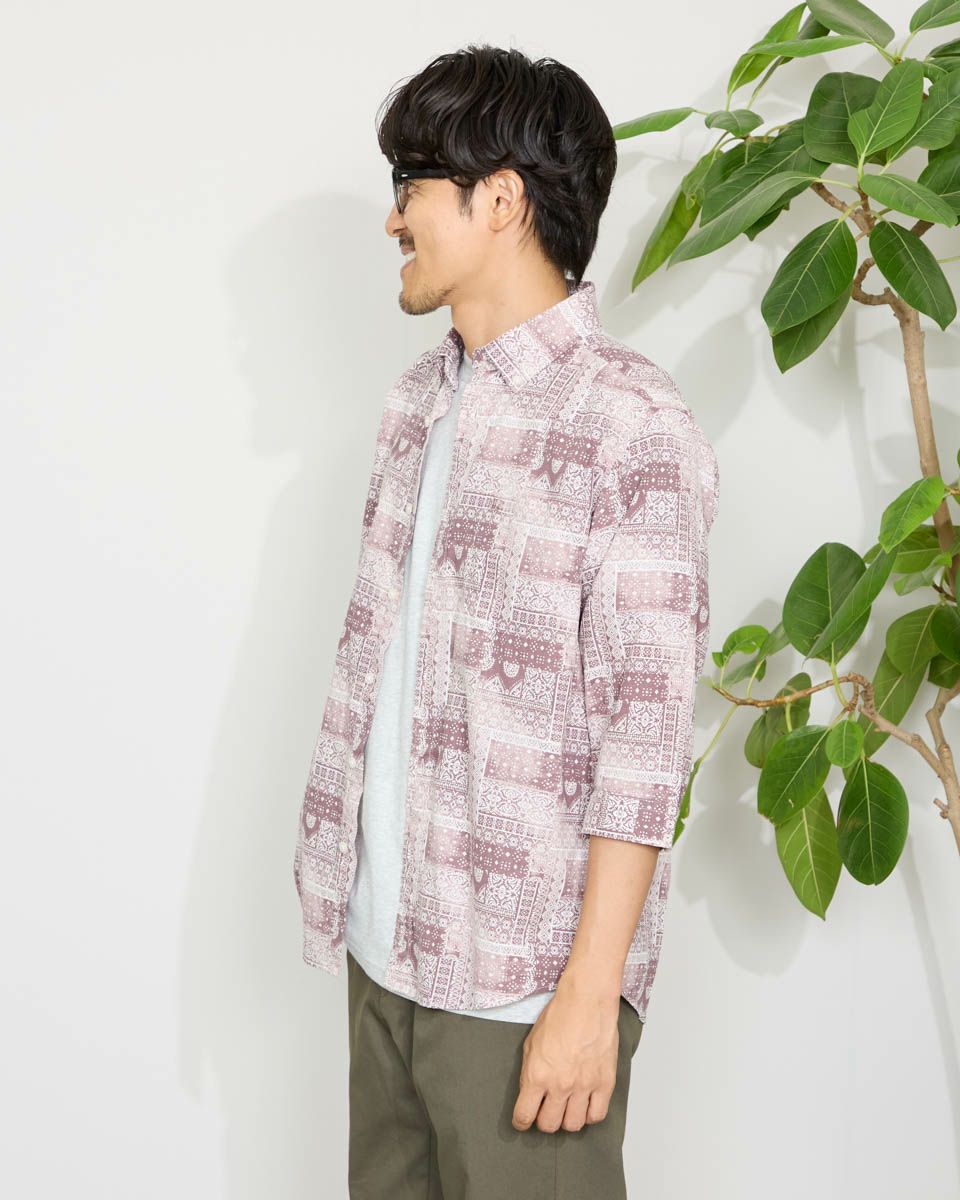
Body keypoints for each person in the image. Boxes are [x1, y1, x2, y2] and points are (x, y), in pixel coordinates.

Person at [294, 42, 719, 1199]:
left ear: (500, 200)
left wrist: (589, 997)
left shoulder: (632, 425)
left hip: (523, 992)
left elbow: (644, 744)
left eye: (411, 186)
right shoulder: (416, 404)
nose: (393, 218)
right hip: (385, 959)